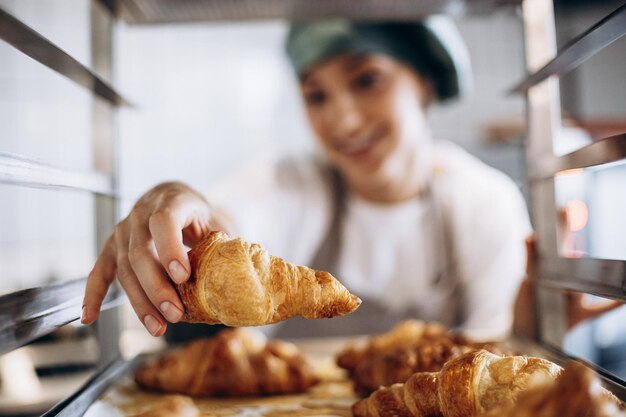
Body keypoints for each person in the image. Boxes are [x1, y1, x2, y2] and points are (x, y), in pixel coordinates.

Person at [81, 18, 533, 341]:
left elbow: (487, 354)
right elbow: (219, 225)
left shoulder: (484, 202)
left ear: (424, 80)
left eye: (367, 79)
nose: (344, 120)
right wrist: (177, 200)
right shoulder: (296, 185)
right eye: (316, 96)